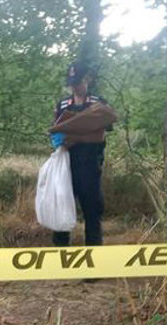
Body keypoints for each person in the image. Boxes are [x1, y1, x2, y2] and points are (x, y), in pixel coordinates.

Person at [49, 60, 116, 247]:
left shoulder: (98, 103)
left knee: (92, 211)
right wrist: (61, 139)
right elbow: (56, 132)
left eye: (77, 81)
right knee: (61, 208)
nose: (75, 86)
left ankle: (92, 264)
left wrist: (78, 137)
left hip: (90, 163)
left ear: (87, 79)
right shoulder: (62, 104)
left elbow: (101, 134)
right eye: (72, 83)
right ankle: (61, 259)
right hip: (66, 162)